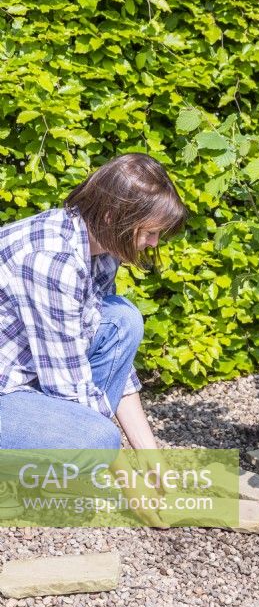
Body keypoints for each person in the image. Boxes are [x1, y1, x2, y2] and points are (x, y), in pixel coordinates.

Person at [0, 152, 188, 522]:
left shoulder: (98, 248)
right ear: (111, 216)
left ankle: (49, 465)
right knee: (96, 441)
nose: (152, 244)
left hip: (18, 374)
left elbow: (108, 357)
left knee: (122, 319)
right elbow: (70, 388)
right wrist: (136, 492)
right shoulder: (51, 261)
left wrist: (151, 461)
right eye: (148, 232)